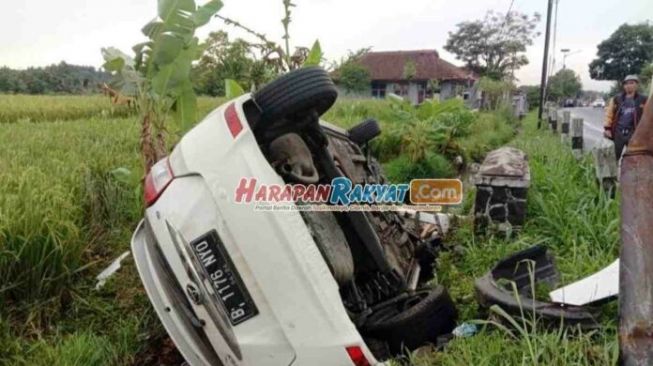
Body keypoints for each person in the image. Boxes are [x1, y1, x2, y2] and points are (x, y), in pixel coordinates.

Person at [603, 75, 648, 160]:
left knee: (633, 158)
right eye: (626, 84)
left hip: (634, 133)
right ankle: (612, 173)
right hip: (618, 132)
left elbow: (648, 117)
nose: (629, 85)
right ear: (624, 86)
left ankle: (631, 173)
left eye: (631, 83)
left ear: (636, 85)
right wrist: (607, 128)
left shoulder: (644, 99)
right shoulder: (616, 99)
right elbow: (609, 114)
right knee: (613, 157)